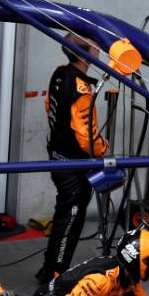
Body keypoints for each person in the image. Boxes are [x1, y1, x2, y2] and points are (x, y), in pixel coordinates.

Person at [38, 33, 109, 283]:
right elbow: (84, 136)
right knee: (70, 222)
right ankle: (56, 276)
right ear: (83, 53)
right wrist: (103, 149)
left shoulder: (59, 73)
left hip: (57, 156)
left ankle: (49, 268)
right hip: (73, 164)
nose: (99, 50)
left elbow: (50, 107)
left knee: (62, 216)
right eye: (95, 46)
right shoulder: (80, 87)